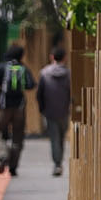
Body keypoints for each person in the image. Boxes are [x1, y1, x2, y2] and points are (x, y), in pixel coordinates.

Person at [0, 46, 34, 176]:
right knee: (17, 136)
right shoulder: (23, 68)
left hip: (4, 106)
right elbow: (31, 85)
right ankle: (13, 167)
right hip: (19, 106)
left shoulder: (2, 67)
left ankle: (3, 156)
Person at [37, 46, 71, 176]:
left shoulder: (44, 73)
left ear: (52, 57)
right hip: (64, 110)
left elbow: (39, 93)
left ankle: (57, 164)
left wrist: (42, 109)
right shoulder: (68, 74)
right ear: (65, 58)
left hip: (49, 112)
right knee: (61, 137)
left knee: (54, 138)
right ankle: (59, 161)